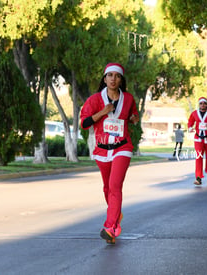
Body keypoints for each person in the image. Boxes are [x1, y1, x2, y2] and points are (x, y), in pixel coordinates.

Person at [80, 63, 139, 244]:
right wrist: (103, 112)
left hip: (122, 147)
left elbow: (134, 116)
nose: (113, 79)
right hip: (102, 150)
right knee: (107, 188)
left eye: (117, 76)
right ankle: (116, 215)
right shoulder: (95, 100)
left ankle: (110, 226)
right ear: (104, 79)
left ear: (121, 80)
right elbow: (84, 123)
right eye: (110, 75)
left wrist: (134, 119)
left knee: (115, 185)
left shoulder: (128, 99)